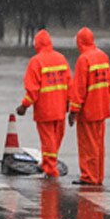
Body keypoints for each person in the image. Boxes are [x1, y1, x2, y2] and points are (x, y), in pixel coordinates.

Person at [16, 29, 71, 178]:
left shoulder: (36, 62)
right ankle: (48, 162)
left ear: (37, 44)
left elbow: (33, 90)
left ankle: (51, 170)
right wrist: (69, 103)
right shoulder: (61, 59)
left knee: (48, 141)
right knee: (55, 140)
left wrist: (24, 106)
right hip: (60, 108)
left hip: (45, 109)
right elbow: (69, 84)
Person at [67, 27, 110, 186]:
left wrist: (73, 111)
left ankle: (89, 177)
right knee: (99, 145)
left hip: (89, 110)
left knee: (88, 145)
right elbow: (108, 84)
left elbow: (80, 89)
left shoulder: (84, 59)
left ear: (80, 42)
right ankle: (98, 176)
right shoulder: (103, 56)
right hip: (102, 107)